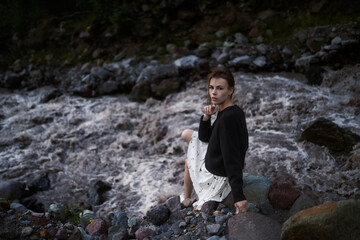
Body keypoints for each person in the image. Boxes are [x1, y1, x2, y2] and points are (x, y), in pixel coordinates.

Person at [181, 67, 249, 214]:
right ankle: (186, 197)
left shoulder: (227, 118)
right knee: (186, 134)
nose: (213, 92)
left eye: (219, 88)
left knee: (188, 161)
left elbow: (232, 157)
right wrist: (207, 117)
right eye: (211, 88)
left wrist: (239, 196)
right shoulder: (230, 110)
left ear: (230, 90)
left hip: (216, 175)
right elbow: (206, 137)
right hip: (216, 156)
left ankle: (186, 198)